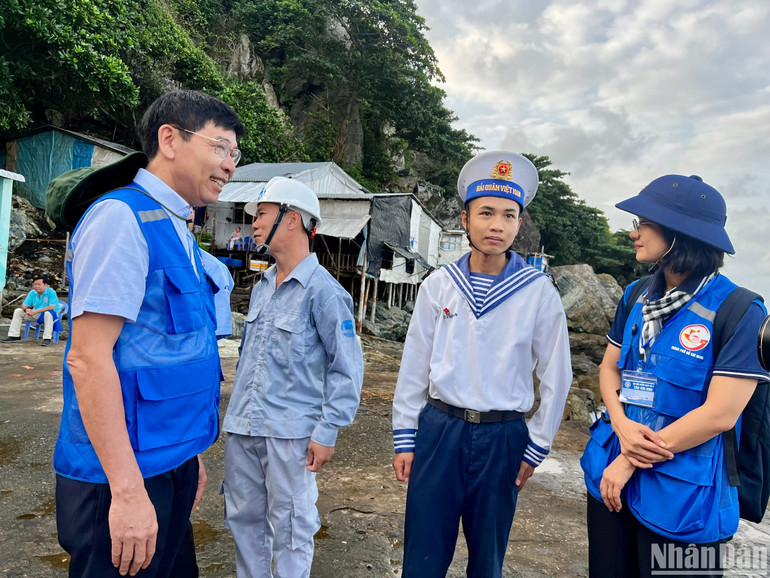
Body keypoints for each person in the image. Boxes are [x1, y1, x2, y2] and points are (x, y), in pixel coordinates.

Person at [53, 89, 245, 577]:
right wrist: (128, 490)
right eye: (220, 148)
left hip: (168, 460)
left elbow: (172, 349)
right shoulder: (121, 219)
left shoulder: (178, 226)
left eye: (235, 154)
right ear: (170, 139)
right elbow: (88, 358)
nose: (229, 166)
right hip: (120, 475)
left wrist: (187, 457)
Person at [391, 151, 573, 577]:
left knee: (488, 558)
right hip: (440, 430)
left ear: (519, 224)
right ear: (465, 218)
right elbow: (415, 364)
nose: (497, 225)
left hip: (502, 437)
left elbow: (557, 375)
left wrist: (537, 443)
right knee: (423, 554)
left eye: (509, 215)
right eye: (486, 212)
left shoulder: (538, 292)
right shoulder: (440, 285)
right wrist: (405, 434)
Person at [580, 175, 770, 577]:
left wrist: (631, 458)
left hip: (687, 501)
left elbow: (720, 415)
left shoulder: (740, 311)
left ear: (680, 235)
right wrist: (621, 427)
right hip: (611, 477)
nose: (633, 233)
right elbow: (610, 367)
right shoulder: (636, 295)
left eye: (644, 223)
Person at [222, 176, 364, 578]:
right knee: (244, 521)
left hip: (291, 435)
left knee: (290, 527)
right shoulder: (263, 285)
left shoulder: (325, 293)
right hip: (244, 429)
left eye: (263, 213)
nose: (254, 223)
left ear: (293, 219)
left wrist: (327, 430)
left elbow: (347, 369)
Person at [3, 275, 59, 346]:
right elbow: (24, 305)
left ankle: (47, 339)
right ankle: (14, 336)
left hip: (50, 314)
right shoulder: (32, 292)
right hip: (36, 314)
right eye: (35, 284)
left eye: (39, 284)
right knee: (18, 311)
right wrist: (27, 310)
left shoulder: (51, 292)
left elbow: (52, 307)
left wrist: (35, 311)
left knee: (48, 313)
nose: (37, 286)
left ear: (45, 285)